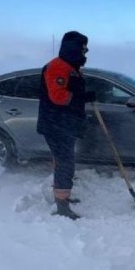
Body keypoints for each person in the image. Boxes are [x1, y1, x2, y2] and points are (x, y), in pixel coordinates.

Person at [37, 31, 96, 220]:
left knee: (64, 161)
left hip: (65, 124)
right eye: (83, 48)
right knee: (65, 163)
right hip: (56, 124)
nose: (85, 52)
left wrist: (83, 96)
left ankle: (63, 196)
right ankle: (62, 206)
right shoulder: (57, 67)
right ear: (74, 48)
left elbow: (70, 91)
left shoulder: (71, 67)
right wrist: (82, 97)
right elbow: (58, 96)